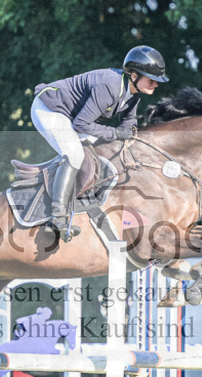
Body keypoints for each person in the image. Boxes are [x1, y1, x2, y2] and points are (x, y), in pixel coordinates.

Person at [31, 45, 169, 241]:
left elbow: (128, 124)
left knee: (105, 150)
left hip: (72, 118)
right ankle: (57, 218)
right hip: (49, 109)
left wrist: (136, 140)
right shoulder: (110, 85)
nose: (156, 84)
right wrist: (116, 133)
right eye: (151, 79)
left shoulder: (133, 93)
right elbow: (82, 124)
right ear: (133, 74)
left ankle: (84, 205)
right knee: (75, 155)